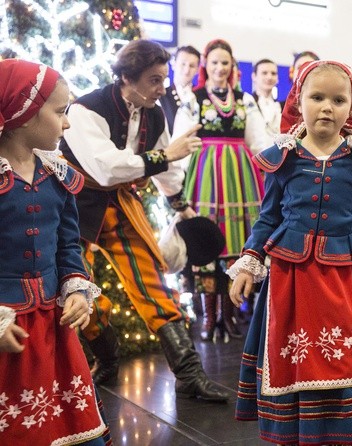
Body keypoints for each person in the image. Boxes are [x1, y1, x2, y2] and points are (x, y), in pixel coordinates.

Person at [227, 60, 352, 445]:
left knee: (341, 355)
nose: (327, 107)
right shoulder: (283, 157)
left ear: (351, 106)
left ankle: (337, 431)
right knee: (291, 357)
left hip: (345, 280)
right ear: (298, 100)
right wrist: (248, 263)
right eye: (317, 97)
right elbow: (268, 216)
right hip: (291, 279)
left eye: (338, 100)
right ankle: (294, 430)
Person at [59, 39, 231, 402]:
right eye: (154, 80)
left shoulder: (154, 114)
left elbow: (167, 171)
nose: (162, 88)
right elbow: (106, 170)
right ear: (126, 77)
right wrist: (164, 155)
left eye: (163, 79)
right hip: (75, 209)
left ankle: (189, 374)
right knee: (79, 293)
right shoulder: (85, 109)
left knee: (153, 284)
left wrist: (182, 207)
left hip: (121, 205)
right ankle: (107, 358)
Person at [0, 59, 108, 444]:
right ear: (24, 114)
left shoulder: (57, 175)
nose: (67, 123)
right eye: (61, 112)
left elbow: (67, 245)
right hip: (7, 329)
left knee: (69, 425)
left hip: (51, 326)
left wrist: (76, 288)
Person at [175, 38, 265, 340]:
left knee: (236, 242)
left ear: (232, 66)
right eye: (214, 62)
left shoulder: (245, 99)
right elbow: (181, 139)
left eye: (225, 62)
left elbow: (258, 140)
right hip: (205, 174)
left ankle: (228, 316)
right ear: (206, 66)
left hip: (240, 175)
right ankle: (208, 316)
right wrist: (177, 178)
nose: (219, 68)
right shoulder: (193, 98)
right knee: (206, 239)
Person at [159, 45, 200, 135]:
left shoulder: (201, 95)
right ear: (173, 63)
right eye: (183, 64)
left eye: (192, 66)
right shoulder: (161, 95)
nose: (187, 70)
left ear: (197, 70)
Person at [243, 58, 281, 154]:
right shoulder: (245, 102)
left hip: (276, 162)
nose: (269, 77)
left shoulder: (280, 106)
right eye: (264, 73)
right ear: (254, 76)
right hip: (251, 160)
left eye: (273, 73)